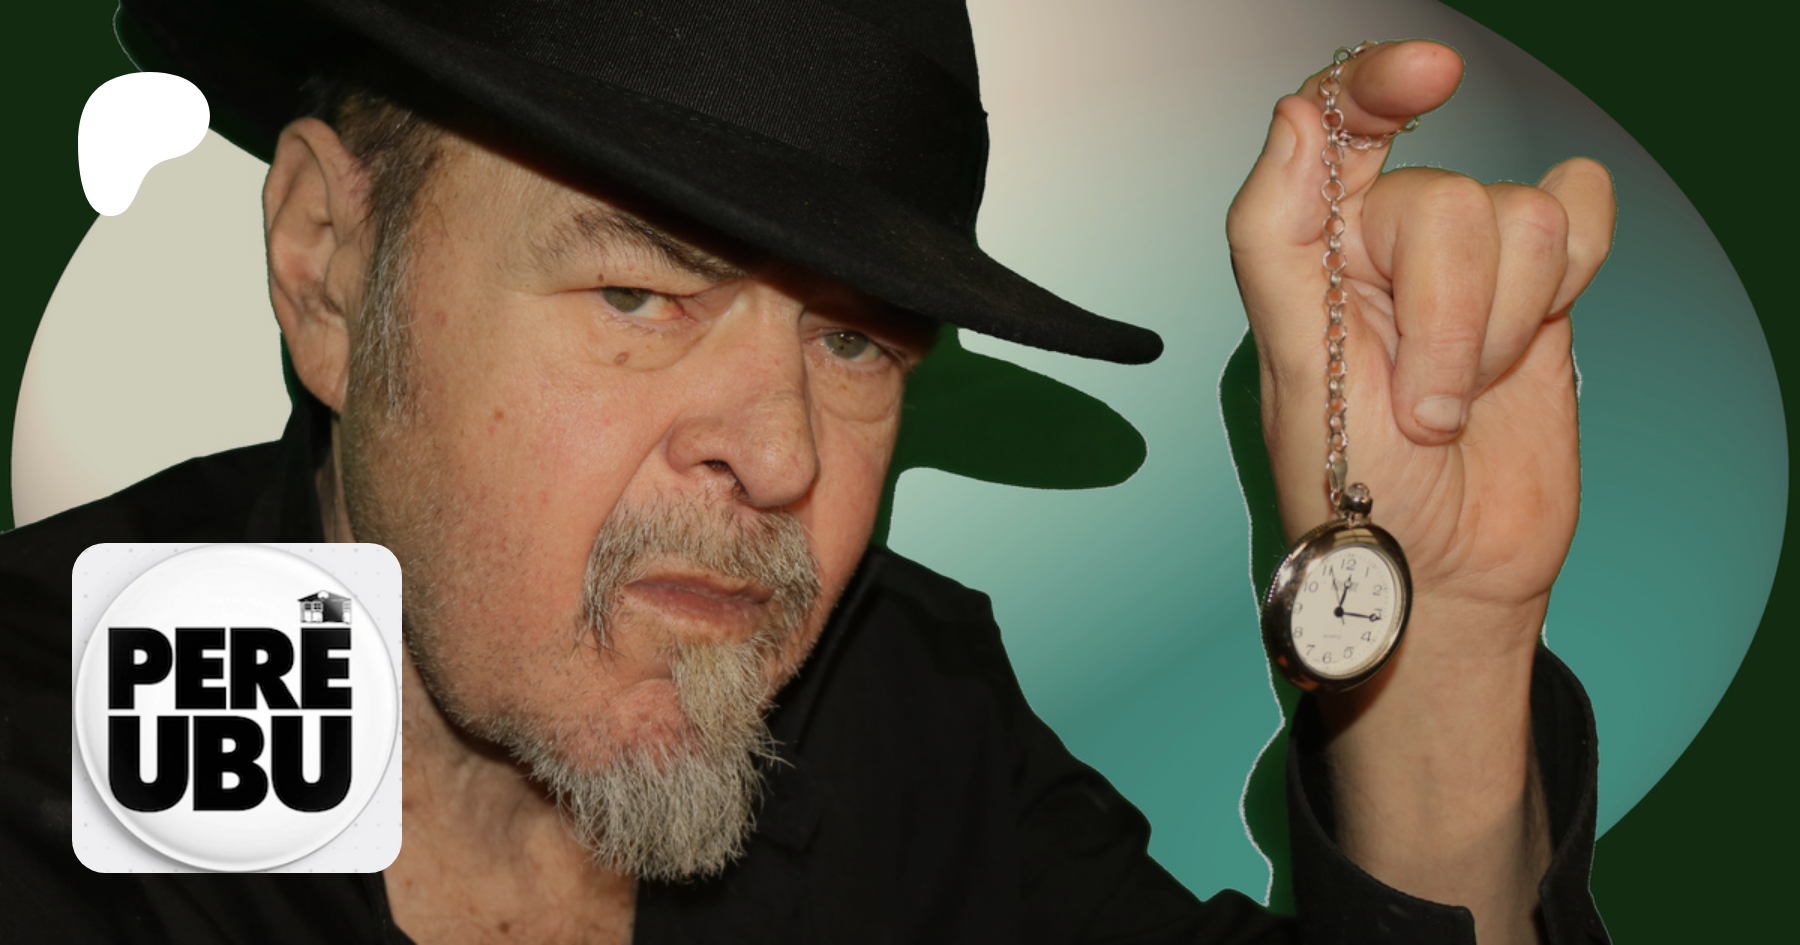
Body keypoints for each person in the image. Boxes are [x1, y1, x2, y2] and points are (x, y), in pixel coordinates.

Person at [0, 1, 1615, 943]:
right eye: (638, 294)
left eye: (854, 343)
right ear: (328, 269)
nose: (781, 457)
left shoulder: (904, 726)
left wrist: (1450, 642)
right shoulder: (44, 775)